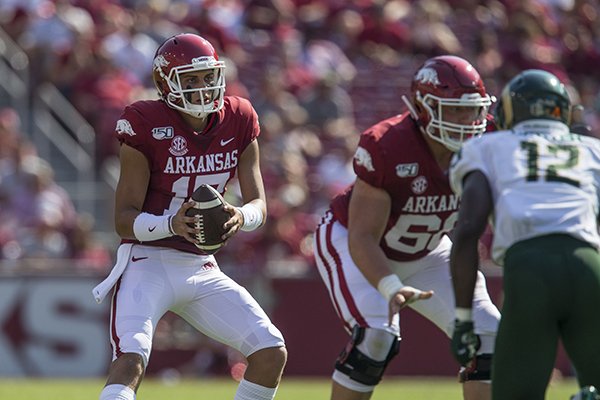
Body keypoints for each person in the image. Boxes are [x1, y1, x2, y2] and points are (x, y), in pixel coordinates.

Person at [92, 33, 287, 400]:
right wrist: (171, 223)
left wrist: (240, 216)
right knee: (130, 359)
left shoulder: (240, 117)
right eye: (190, 80)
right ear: (166, 83)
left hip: (200, 266)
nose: (203, 89)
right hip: (147, 261)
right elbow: (122, 219)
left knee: (270, 352)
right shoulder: (144, 120)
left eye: (208, 77)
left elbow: (259, 202)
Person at [313, 55, 501, 400]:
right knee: (376, 336)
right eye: (454, 109)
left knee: (488, 332)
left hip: (428, 249)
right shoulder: (389, 145)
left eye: (472, 109)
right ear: (422, 108)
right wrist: (389, 285)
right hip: (354, 242)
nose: (467, 120)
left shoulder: (488, 139)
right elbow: (363, 235)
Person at [449, 69, 600, 400]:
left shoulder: (488, 147)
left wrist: (463, 318)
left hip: (529, 268)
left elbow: (468, 230)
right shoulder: (592, 150)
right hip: (588, 265)